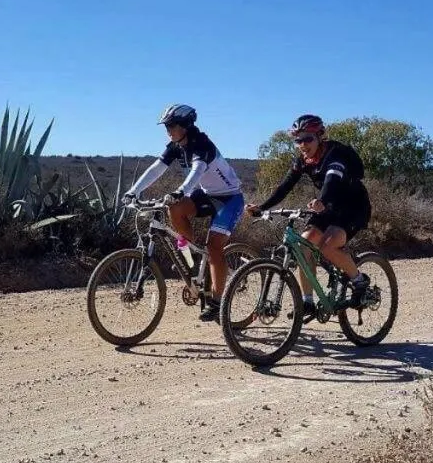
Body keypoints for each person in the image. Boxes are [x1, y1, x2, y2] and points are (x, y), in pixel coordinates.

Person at [123, 104, 245, 322]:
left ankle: (217, 302)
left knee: (214, 246)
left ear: (186, 125)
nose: (168, 130)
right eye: (166, 127)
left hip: (229, 198)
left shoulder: (201, 144)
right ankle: (191, 257)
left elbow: (197, 172)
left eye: (171, 126)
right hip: (207, 194)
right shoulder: (176, 146)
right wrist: (133, 191)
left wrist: (181, 191)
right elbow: (156, 168)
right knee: (175, 209)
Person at [247, 114, 371, 320]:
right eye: (298, 141)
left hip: (353, 207)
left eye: (307, 139)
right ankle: (308, 302)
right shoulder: (302, 161)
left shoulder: (334, 154)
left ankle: (359, 280)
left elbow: (331, 180)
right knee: (303, 245)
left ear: (319, 137)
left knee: (327, 246)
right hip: (328, 207)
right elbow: (285, 186)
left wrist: (321, 200)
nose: (303, 145)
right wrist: (262, 207)